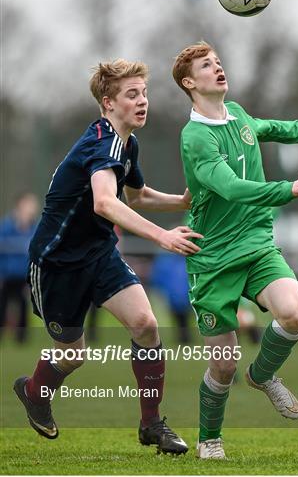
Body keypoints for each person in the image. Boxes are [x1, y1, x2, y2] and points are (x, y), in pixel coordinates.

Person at [14, 59, 203, 455]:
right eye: (131, 94)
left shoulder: (127, 143)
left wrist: (183, 200)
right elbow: (104, 201)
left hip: (98, 253)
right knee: (73, 355)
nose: (143, 101)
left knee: (145, 323)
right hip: (56, 263)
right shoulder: (103, 142)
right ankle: (34, 391)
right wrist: (161, 236)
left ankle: (152, 424)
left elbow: (137, 196)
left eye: (145, 93)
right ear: (108, 102)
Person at [172, 41, 298, 459]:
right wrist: (288, 189)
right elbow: (232, 188)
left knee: (295, 313)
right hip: (213, 257)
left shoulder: (237, 114)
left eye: (218, 62)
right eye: (206, 65)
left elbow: (268, 128)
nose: (217, 68)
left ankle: (263, 375)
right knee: (223, 364)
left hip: (256, 244)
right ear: (188, 82)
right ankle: (210, 438)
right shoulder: (195, 137)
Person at [0, 192, 39, 343]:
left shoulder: (34, 229)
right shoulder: (6, 227)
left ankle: (21, 339)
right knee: (3, 306)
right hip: (7, 276)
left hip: (25, 276)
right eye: (29, 204)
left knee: (24, 307)